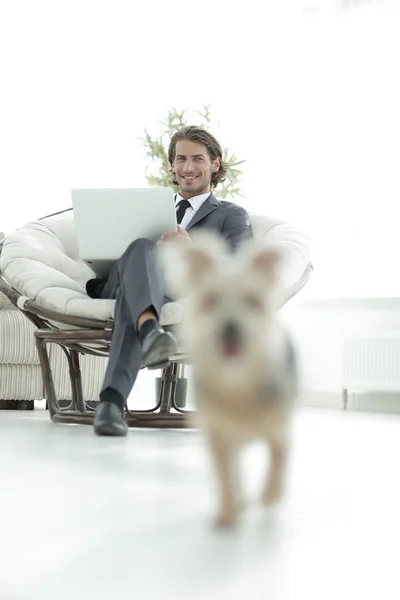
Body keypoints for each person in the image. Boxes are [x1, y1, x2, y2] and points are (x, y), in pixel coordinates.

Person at [86, 126, 253, 436]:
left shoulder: (231, 215)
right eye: (181, 159)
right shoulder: (141, 209)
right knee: (140, 246)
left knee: (132, 297)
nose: (188, 168)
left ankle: (111, 401)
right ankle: (150, 332)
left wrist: (193, 252)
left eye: (197, 159)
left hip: (171, 292)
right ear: (172, 165)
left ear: (215, 164)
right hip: (120, 278)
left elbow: (239, 268)